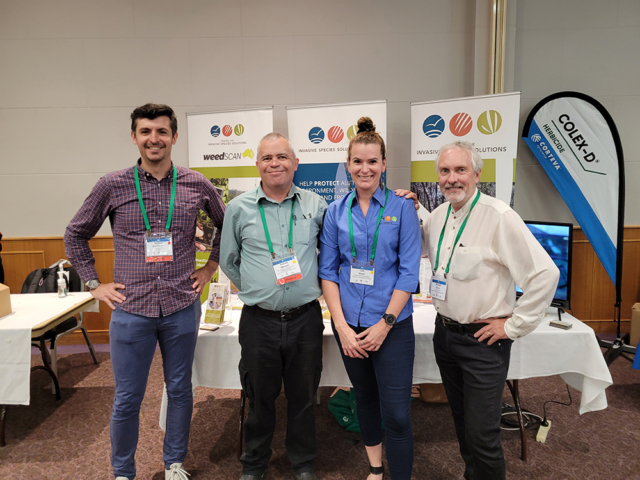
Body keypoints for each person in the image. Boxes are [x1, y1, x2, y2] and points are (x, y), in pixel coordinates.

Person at [64, 103, 225, 480]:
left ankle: (174, 463)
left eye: (162, 132)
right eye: (146, 132)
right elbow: (75, 233)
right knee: (127, 398)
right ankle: (123, 472)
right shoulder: (112, 184)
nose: (154, 139)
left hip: (182, 306)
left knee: (181, 390)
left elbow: (227, 225)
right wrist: (93, 283)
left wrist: (210, 267)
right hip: (131, 308)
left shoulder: (196, 183)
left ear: (174, 137)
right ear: (134, 136)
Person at [422, 141, 559, 479]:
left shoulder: (499, 216)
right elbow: (433, 253)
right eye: (445, 171)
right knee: (462, 424)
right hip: (446, 335)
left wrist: (512, 326)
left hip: (483, 342)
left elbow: (545, 274)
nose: (452, 178)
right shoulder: (438, 216)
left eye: (460, 170)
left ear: (477, 174)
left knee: (482, 434)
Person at [219, 132, 327, 480]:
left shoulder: (316, 205)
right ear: (258, 164)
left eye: (282, 157)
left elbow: (332, 254)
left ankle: (302, 463)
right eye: (267, 158)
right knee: (259, 398)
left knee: (303, 399)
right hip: (259, 322)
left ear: (295, 163)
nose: (274, 163)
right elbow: (229, 261)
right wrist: (257, 287)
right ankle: (254, 464)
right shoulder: (238, 209)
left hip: (305, 321)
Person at [318, 117, 421, 480]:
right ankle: (376, 470)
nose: (365, 169)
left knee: (396, 412)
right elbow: (328, 272)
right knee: (365, 401)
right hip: (351, 328)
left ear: (383, 164)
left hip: (391, 326)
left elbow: (409, 273)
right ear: (348, 165)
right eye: (357, 162)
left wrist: (385, 324)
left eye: (372, 161)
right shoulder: (335, 211)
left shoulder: (403, 208)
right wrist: (341, 326)